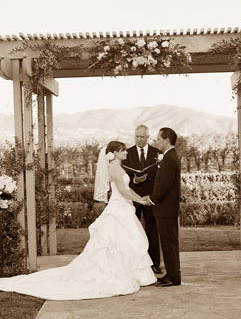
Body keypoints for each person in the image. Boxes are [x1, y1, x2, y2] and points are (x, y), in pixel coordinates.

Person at [0, 143, 157, 301]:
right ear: (115, 153)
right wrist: (142, 202)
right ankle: (124, 272)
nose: (126, 153)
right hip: (119, 207)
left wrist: (140, 199)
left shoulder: (118, 167)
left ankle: (132, 272)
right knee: (122, 239)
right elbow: (123, 191)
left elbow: (127, 189)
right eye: (123, 150)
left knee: (127, 239)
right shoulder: (116, 169)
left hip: (123, 206)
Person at [123, 124, 161, 275]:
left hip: (150, 198)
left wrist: (148, 177)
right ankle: (134, 262)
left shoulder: (156, 153)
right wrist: (136, 180)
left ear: (148, 137)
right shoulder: (128, 153)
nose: (139, 139)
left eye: (142, 137)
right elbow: (124, 175)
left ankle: (155, 263)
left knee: (152, 231)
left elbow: (160, 175)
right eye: (136, 136)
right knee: (132, 231)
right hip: (133, 198)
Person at [152, 129, 182, 288]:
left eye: (158, 139)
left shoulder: (170, 159)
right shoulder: (169, 157)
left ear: (166, 140)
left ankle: (174, 277)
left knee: (169, 243)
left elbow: (164, 186)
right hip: (165, 209)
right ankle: (171, 273)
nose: (156, 142)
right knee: (167, 242)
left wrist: (151, 200)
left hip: (166, 208)